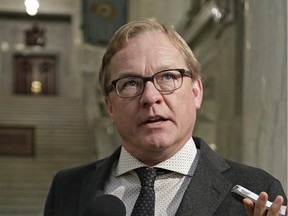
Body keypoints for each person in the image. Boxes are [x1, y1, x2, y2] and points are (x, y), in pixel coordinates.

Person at [44, 18, 287, 216]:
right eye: (130, 83)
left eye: (168, 77)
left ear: (195, 92)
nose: (150, 97)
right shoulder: (67, 188)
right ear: (109, 106)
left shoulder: (260, 192)